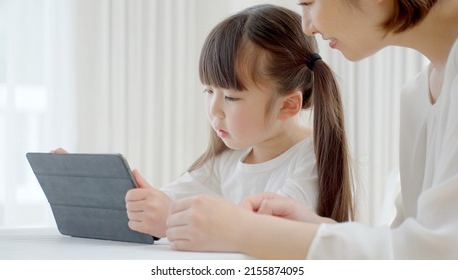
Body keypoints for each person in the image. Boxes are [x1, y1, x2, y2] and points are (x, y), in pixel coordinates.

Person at [166, 0, 458, 259]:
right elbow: (408, 245)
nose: (307, 27)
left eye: (309, 2)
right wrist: (318, 229)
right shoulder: (418, 95)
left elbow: (437, 254)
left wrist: (245, 231)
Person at [125, 4, 354, 238]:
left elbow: (269, 231)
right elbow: (170, 199)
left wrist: (171, 219)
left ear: (287, 105)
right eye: (209, 91)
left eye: (231, 97)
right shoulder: (229, 158)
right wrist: (147, 205)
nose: (215, 110)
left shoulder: (310, 157)